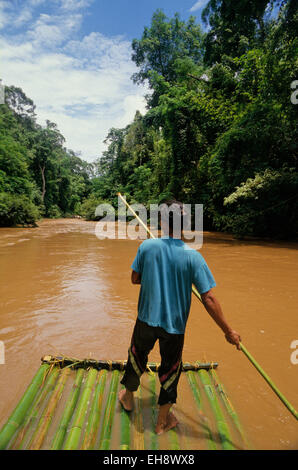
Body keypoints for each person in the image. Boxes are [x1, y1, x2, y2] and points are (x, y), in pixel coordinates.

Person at [118, 200, 241, 435]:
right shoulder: (193, 257)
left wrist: (154, 275)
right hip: (174, 327)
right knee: (170, 370)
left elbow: (135, 279)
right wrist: (228, 331)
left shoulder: (147, 247)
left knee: (136, 356)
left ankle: (129, 397)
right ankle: (162, 421)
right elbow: (209, 299)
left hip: (145, 320)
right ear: (186, 224)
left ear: (161, 222)